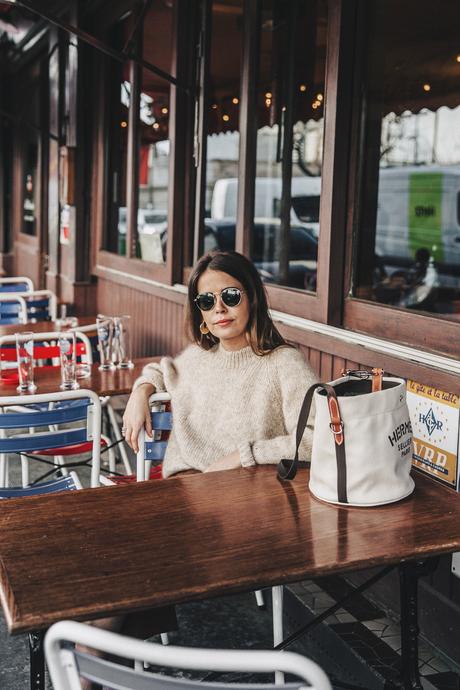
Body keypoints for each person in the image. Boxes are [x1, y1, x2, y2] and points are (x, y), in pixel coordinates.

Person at [122, 250, 317, 473]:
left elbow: (316, 438)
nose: (219, 308)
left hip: (247, 494)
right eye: (207, 301)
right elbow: (160, 371)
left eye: (231, 296)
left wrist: (247, 454)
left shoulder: (284, 363)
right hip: (185, 487)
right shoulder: (198, 357)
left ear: (252, 299)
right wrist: (140, 392)